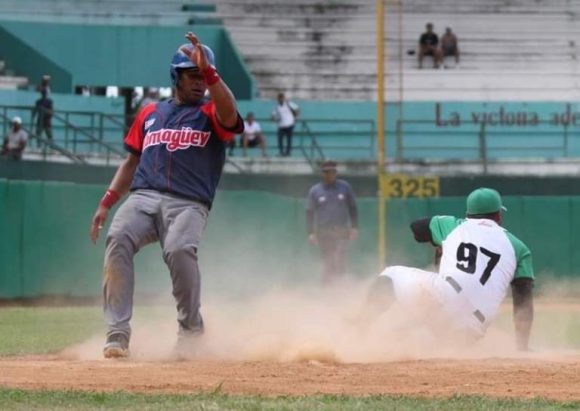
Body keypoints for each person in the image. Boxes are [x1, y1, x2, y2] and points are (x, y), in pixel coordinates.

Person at [89, 32, 243, 359]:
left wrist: (213, 73)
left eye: (204, 77)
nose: (200, 83)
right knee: (117, 237)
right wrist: (106, 202)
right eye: (193, 76)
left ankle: (190, 330)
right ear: (176, 77)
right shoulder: (149, 113)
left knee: (179, 249)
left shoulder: (212, 113)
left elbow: (231, 115)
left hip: (189, 201)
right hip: (143, 196)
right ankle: (117, 334)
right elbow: (131, 160)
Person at [360, 188, 534, 350]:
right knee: (430, 335)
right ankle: (441, 341)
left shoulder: (454, 225)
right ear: (498, 215)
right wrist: (522, 348)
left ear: (468, 213)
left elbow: (417, 229)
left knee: (391, 274)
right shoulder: (519, 247)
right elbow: (523, 302)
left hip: (444, 299)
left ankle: (360, 325)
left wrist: (440, 242)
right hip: (474, 325)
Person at [306, 160, 358, 285]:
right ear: (322, 173)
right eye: (326, 172)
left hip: (341, 230)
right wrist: (311, 233)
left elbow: (352, 207)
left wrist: (354, 227)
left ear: (336, 172)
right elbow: (310, 212)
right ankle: (327, 287)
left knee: (340, 256)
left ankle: (341, 285)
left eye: (332, 171)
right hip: (324, 231)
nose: (329, 174)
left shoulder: (344, 187)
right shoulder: (315, 191)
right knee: (327, 260)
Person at [271, 92, 299, 157]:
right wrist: (275, 119)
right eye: (279, 98)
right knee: (280, 139)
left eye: (281, 98)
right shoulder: (277, 107)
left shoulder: (289, 104)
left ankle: (288, 152)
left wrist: (296, 117)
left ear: (283, 98)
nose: (280, 99)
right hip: (281, 125)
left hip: (290, 124)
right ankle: (281, 152)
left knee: (289, 139)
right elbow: (273, 115)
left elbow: (297, 109)